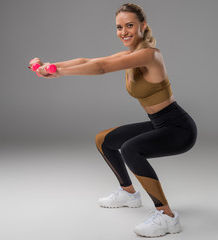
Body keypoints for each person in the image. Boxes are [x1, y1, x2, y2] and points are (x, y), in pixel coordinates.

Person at [29, 3, 197, 238]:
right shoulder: (130, 55)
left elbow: (100, 68)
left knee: (130, 149)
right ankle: (128, 194)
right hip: (160, 124)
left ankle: (167, 216)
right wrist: (51, 65)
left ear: (143, 26)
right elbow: (88, 59)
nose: (124, 32)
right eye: (119, 27)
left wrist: (58, 73)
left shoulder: (150, 55)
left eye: (130, 25)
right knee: (104, 140)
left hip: (179, 129)